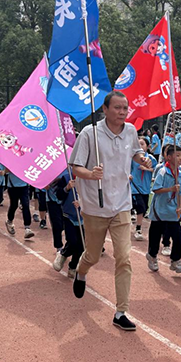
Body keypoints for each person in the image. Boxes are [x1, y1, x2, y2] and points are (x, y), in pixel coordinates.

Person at [69, 91, 152, 332]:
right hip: (95, 205)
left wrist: (142, 159)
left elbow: (135, 152)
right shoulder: (90, 133)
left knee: (124, 258)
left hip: (122, 205)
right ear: (104, 109)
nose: (122, 112)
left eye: (125, 108)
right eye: (117, 107)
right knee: (93, 256)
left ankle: (121, 312)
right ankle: (81, 271)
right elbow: (75, 167)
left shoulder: (130, 131)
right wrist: (90, 174)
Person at [145, 145, 181, 273]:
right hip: (160, 210)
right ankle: (152, 256)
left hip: (173, 211)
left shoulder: (180, 174)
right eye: (177, 155)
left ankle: (176, 261)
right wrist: (170, 189)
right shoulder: (163, 171)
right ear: (168, 157)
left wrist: (180, 207)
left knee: (178, 237)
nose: (180, 158)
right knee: (155, 236)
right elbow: (156, 189)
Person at [52, 169, 85, 278]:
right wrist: (67, 188)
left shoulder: (88, 179)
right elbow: (59, 195)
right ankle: (63, 254)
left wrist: (81, 203)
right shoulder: (66, 178)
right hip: (69, 215)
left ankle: (73, 266)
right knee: (72, 241)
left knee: (82, 245)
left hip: (83, 216)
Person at [130, 137, 156, 241]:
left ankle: (132, 214)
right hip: (134, 187)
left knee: (144, 209)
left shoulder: (151, 158)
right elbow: (128, 169)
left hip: (145, 188)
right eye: (138, 144)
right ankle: (138, 229)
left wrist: (146, 168)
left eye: (142, 144)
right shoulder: (133, 158)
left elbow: (155, 169)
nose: (140, 146)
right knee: (140, 206)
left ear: (147, 146)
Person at [5, 169, 35, 240]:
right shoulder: (10, 162)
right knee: (14, 205)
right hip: (12, 186)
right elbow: (5, 171)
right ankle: (9, 220)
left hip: (24, 186)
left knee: (25, 205)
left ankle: (27, 228)